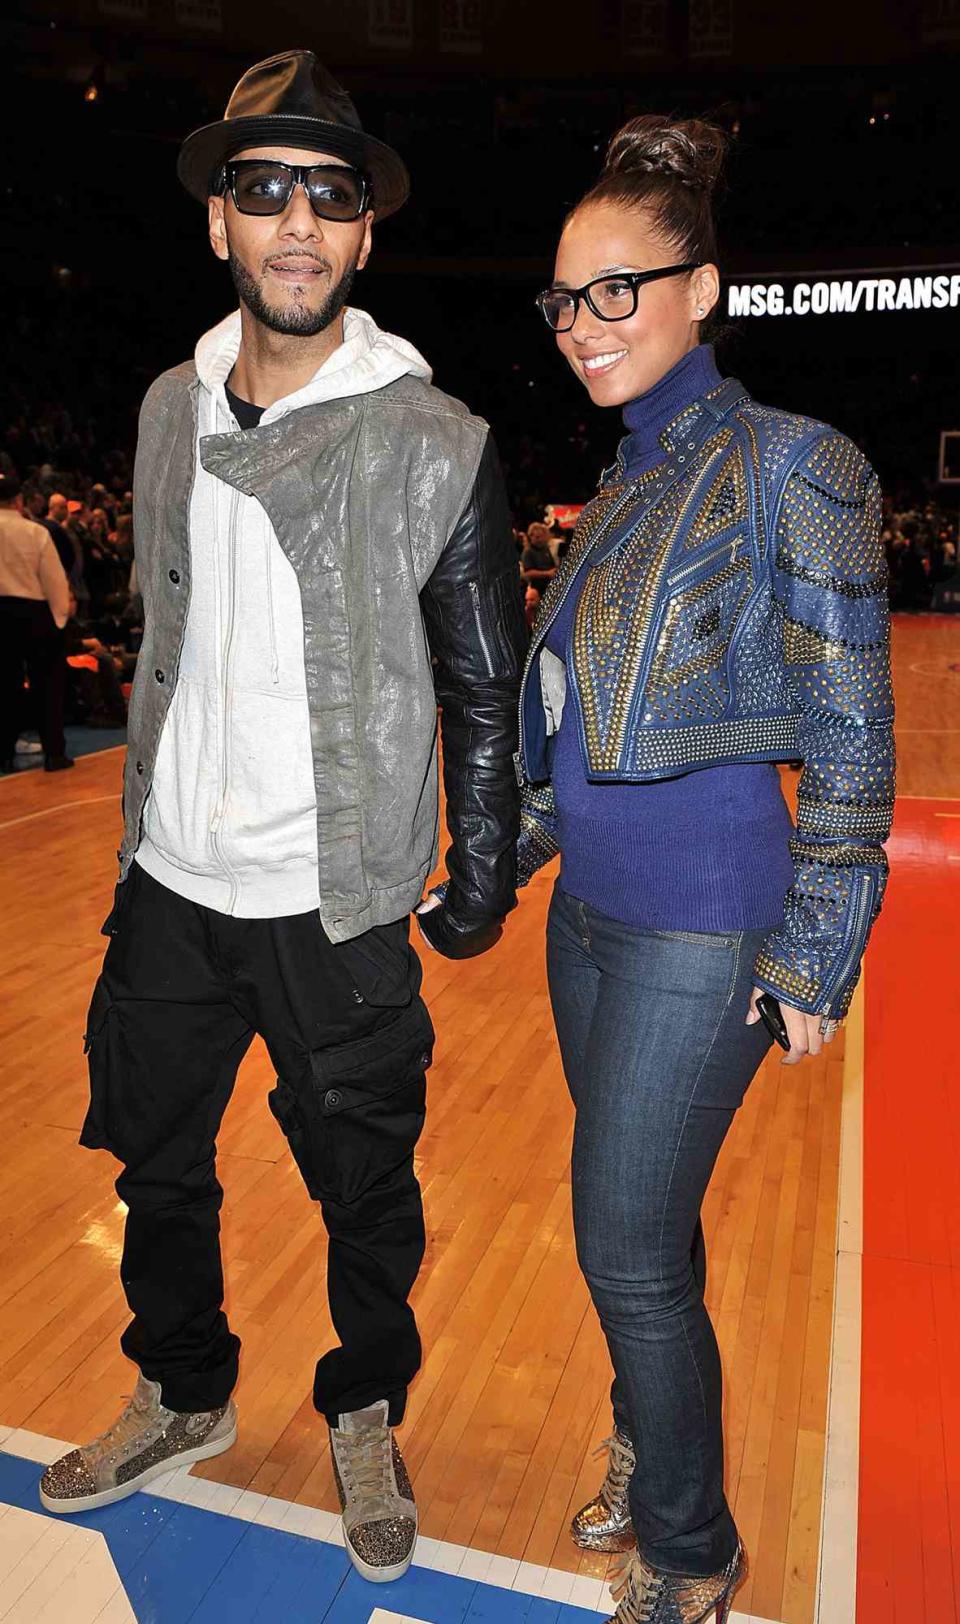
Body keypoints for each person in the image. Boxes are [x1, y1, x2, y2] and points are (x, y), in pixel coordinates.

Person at [39, 50, 526, 1588]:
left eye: (329, 194)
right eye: (265, 191)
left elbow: (484, 682)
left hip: (339, 898)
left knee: (366, 1188)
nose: (298, 222)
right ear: (220, 227)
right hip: (174, 882)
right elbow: (167, 633)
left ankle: (365, 1404)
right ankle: (182, 1389)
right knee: (155, 1167)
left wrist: (487, 856)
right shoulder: (169, 409)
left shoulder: (434, 437)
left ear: (365, 236)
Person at [516, 117, 894, 1622]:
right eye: (565, 299)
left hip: (704, 923)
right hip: (591, 918)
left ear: (704, 288)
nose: (584, 324)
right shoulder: (621, 484)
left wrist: (820, 939)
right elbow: (587, 718)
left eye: (621, 290)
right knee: (643, 1230)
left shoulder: (799, 463)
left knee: (621, 1240)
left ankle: (691, 1550)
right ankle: (650, 1438)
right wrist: (505, 852)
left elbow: (855, 724)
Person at [0, 471, 73, 773]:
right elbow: (54, 580)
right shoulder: (35, 532)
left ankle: (3, 752)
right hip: (33, 612)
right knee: (47, 685)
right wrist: (59, 618)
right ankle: (54, 753)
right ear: (18, 500)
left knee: (4, 685)